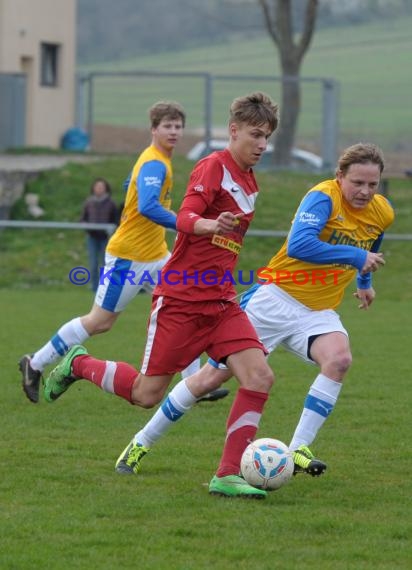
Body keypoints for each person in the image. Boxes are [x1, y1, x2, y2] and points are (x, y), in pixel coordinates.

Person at [83, 142, 394, 494]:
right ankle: (141, 442)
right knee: (206, 381)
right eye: (358, 183)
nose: (365, 191)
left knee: (339, 361)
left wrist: (365, 282)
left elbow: (369, 247)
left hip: (318, 311)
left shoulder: (382, 211)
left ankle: (296, 450)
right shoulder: (323, 197)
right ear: (340, 177)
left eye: (373, 184)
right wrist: (354, 257)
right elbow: (299, 245)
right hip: (273, 300)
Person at [43, 91, 280, 499]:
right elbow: (186, 216)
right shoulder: (212, 167)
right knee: (146, 395)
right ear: (234, 130)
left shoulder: (250, 181)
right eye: (255, 135)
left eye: (267, 138)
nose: (261, 145)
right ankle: (79, 364)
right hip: (181, 300)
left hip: (220, 300)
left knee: (259, 377)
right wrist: (207, 225)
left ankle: (227, 474)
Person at [19, 101, 225, 405]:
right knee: (100, 321)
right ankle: (35, 363)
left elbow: (133, 185)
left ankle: (194, 385)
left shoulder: (155, 160)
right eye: (167, 126)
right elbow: (148, 206)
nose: (174, 131)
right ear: (154, 129)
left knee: (187, 306)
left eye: (178, 126)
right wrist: (189, 224)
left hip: (156, 255)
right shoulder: (155, 162)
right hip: (129, 257)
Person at [80, 177, 118, 292]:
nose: (99, 189)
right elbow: (83, 218)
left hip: (106, 237)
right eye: (97, 187)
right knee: (93, 264)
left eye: (102, 187)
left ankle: (104, 288)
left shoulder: (111, 204)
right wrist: (86, 227)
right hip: (92, 237)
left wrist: (110, 229)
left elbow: (116, 221)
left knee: (105, 264)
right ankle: (94, 288)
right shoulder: (89, 202)